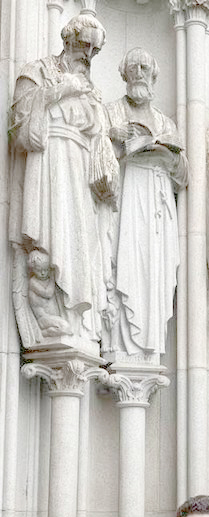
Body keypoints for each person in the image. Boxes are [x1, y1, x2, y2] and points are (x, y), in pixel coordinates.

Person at [9, 14, 118, 347]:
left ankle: (75, 319)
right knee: (51, 240)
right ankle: (48, 309)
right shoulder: (37, 71)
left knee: (79, 245)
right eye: (84, 44)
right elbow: (20, 129)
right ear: (67, 37)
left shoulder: (91, 90)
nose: (88, 54)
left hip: (81, 177)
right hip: (50, 167)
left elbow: (101, 135)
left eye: (95, 50)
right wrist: (61, 90)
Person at [104, 47, 189, 356]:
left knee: (157, 270)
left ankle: (150, 340)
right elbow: (94, 156)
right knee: (125, 262)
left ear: (153, 75)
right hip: (126, 198)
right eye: (133, 67)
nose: (139, 72)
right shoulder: (111, 112)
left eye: (144, 67)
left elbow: (183, 174)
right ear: (124, 74)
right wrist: (114, 138)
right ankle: (123, 343)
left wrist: (166, 154)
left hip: (158, 202)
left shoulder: (165, 123)